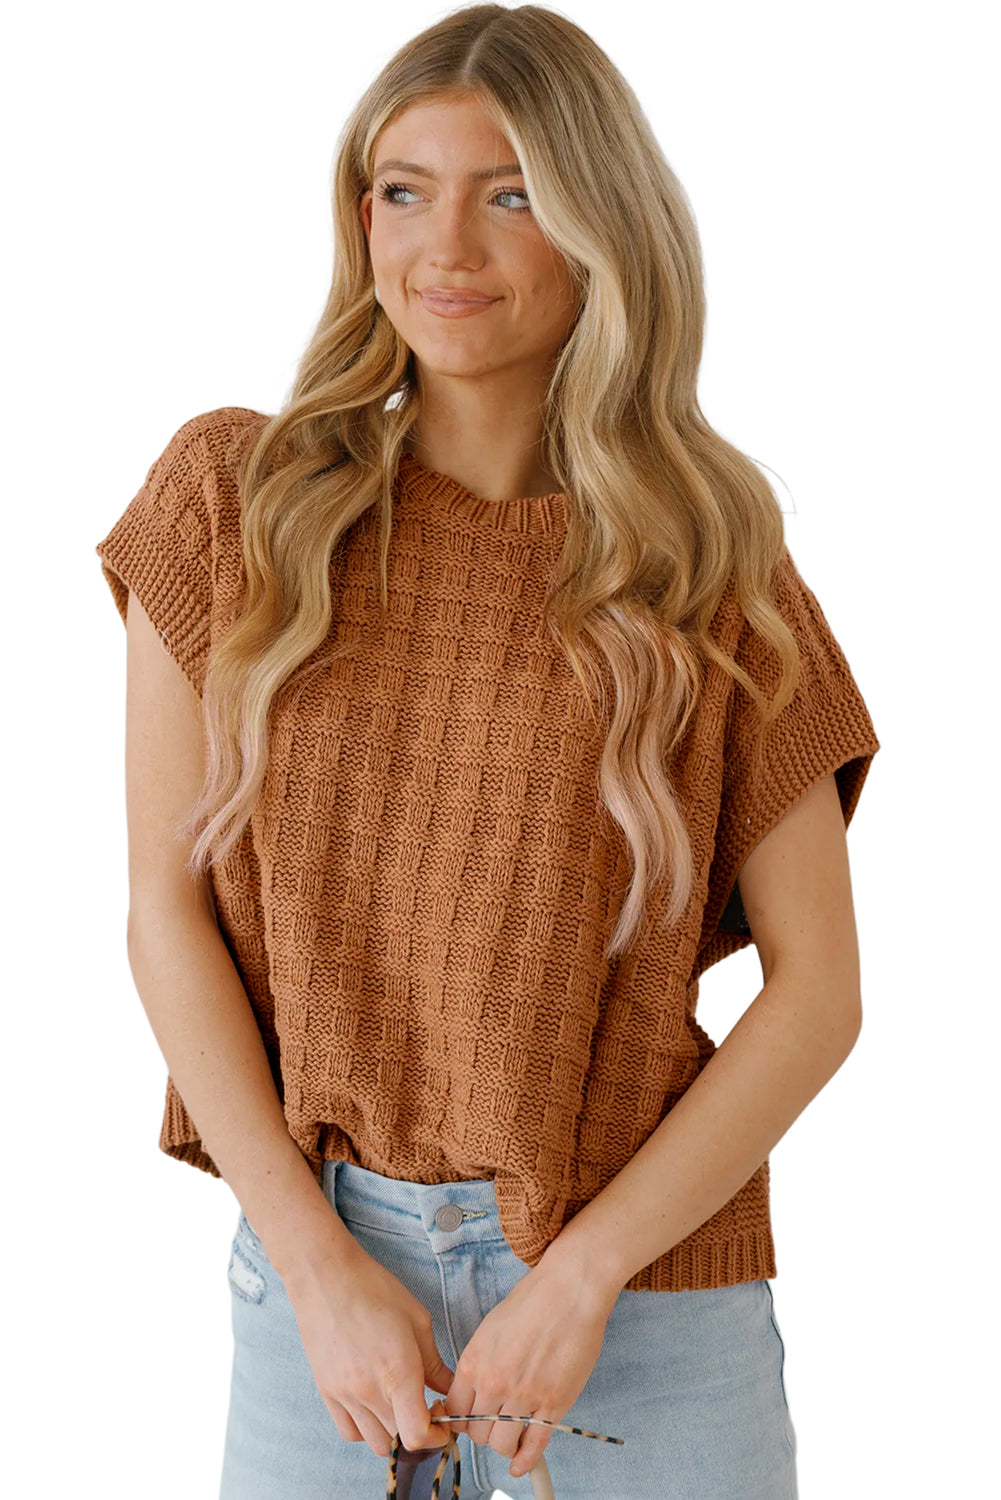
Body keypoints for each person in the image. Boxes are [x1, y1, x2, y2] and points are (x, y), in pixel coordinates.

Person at [93, 6, 880, 1498]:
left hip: (643, 1305)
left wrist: (581, 1278)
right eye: (404, 190)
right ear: (361, 218)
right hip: (324, 1294)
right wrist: (318, 1271)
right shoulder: (235, 502)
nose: (444, 245)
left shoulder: (709, 564)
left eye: (509, 193)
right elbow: (162, 912)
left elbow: (819, 991)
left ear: (598, 226)